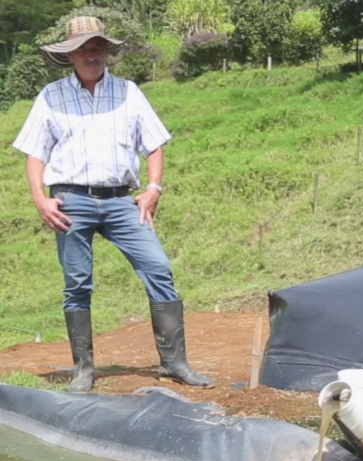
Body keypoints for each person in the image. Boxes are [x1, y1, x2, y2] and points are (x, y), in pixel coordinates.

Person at [11, 16, 214, 392]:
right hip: (71, 199)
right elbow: (35, 154)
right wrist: (41, 199)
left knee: (158, 268)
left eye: (99, 47)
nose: (93, 55)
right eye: (85, 49)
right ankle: (84, 369)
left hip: (122, 201)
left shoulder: (129, 92)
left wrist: (153, 188)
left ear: (107, 52)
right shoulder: (52, 96)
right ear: (70, 55)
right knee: (77, 283)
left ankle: (174, 363)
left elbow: (153, 144)